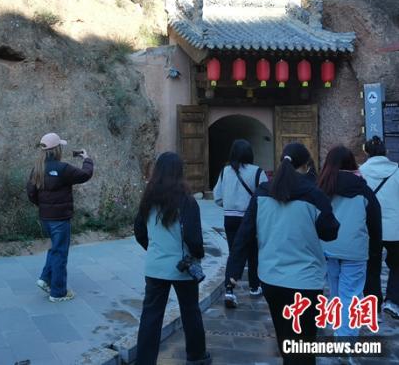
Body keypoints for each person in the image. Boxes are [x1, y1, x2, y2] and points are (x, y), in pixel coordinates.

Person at [226, 143, 339, 365]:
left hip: (272, 279)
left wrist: (233, 271)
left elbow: (244, 235)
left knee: (285, 338)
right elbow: (330, 232)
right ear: (306, 166)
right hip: (305, 281)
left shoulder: (262, 193)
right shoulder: (314, 195)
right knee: (304, 345)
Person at [134, 152, 212, 365]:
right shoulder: (187, 201)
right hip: (182, 267)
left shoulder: (148, 200)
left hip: (155, 267)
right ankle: (196, 356)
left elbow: (139, 231)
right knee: (190, 312)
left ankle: (144, 361)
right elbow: (193, 238)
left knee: (150, 317)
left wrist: (154, 250)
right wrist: (197, 255)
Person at [318, 145, 381, 338]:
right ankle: (345, 339)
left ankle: (339, 329)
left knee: (335, 292)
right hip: (355, 250)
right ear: (352, 163)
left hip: (328, 247)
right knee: (351, 295)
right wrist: (375, 252)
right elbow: (375, 224)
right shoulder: (363, 189)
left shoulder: (322, 188)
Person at [26, 132, 93, 302]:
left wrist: (43, 206)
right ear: (57, 150)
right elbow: (85, 175)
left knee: (56, 248)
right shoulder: (63, 169)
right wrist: (87, 159)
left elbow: (31, 193)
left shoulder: (37, 169)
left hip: (45, 218)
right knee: (60, 254)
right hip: (60, 220)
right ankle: (58, 292)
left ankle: (45, 278)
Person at [213, 139, 268, 307]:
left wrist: (230, 204)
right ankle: (254, 286)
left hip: (230, 218)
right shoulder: (257, 172)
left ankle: (229, 290)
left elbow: (217, 197)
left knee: (235, 253)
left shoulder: (225, 172)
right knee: (253, 252)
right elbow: (265, 198)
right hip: (249, 218)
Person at [360, 136, 399, 319]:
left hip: (370, 228)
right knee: (397, 265)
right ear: (386, 152)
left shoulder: (361, 172)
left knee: (371, 266)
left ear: (366, 152)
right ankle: (393, 301)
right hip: (395, 228)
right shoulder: (397, 171)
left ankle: (372, 304)